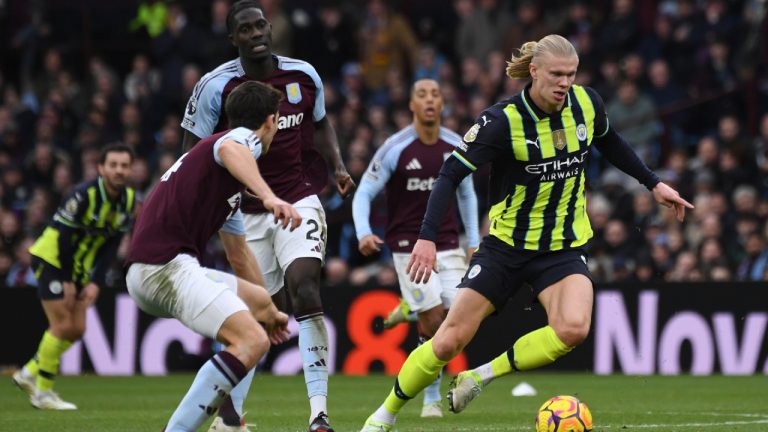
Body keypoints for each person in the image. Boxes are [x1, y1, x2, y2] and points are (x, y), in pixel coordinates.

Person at [360, 34, 694, 432]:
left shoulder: (588, 104)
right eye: (556, 74)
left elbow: (611, 142)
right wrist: (427, 236)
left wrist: (653, 184)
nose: (564, 83)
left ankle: (481, 375)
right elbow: (451, 172)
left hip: (562, 247)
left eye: (570, 75)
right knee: (447, 341)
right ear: (534, 71)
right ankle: (383, 416)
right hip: (505, 248)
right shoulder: (502, 121)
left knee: (573, 328)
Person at [180, 2, 354, 431]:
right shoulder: (214, 86)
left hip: (298, 200)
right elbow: (191, 149)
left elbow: (321, 123)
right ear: (233, 38)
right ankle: (229, 417)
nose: (255, 32)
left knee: (306, 288)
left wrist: (337, 164)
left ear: (270, 29)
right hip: (244, 213)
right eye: (245, 28)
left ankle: (318, 415)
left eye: (261, 25)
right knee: (257, 319)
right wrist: (203, 205)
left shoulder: (303, 74)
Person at [126, 81, 298, 432]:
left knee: (258, 306)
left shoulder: (225, 187)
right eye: (277, 121)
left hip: (151, 270)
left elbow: (240, 256)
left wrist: (269, 309)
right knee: (252, 341)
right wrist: (269, 197)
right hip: (166, 266)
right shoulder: (234, 140)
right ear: (270, 121)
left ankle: (229, 421)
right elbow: (233, 149)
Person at [352, 79, 479, 418]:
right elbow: (364, 192)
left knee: (460, 321)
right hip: (408, 246)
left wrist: (475, 243)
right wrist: (364, 232)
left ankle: (409, 308)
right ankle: (431, 399)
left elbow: (467, 194)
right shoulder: (396, 147)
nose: (429, 100)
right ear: (411, 104)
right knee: (435, 319)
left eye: (435, 94)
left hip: (449, 243)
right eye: (421, 94)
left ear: (442, 104)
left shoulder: (455, 144)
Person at [12, 143, 137, 410]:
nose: (119, 170)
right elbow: (65, 237)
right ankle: (42, 393)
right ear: (101, 168)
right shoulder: (83, 195)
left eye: (124, 166)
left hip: (82, 269)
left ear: (131, 169)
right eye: (113, 165)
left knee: (77, 329)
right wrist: (68, 280)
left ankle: (27, 373)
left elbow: (112, 245)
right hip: (53, 259)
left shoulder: (128, 200)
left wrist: (95, 281)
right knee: (61, 324)